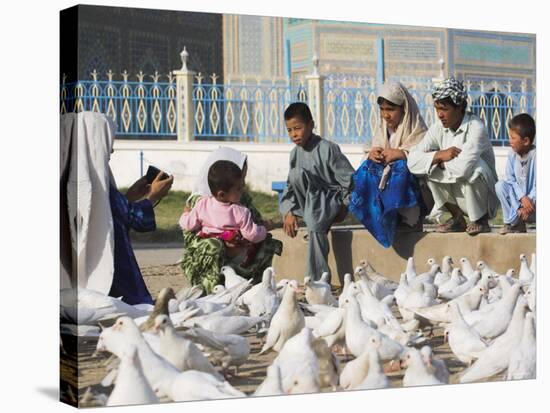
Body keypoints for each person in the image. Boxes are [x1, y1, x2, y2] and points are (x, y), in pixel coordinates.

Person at [60, 112, 173, 305]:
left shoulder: (68, 180)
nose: (111, 149)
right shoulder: (99, 186)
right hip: (116, 281)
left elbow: (107, 214)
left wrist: (130, 197)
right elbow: (136, 219)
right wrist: (154, 196)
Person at [179, 147, 282, 293]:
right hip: (212, 253)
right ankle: (209, 288)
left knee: (269, 244)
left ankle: (256, 288)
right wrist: (225, 244)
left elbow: (254, 224)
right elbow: (190, 236)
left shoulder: (238, 197)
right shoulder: (199, 201)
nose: (244, 185)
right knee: (214, 246)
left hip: (241, 249)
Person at [407, 78, 499, 235]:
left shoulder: (476, 127)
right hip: (459, 193)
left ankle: (480, 220)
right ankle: (457, 218)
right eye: (437, 109)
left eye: (444, 109)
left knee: (476, 168)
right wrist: (438, 155)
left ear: (460, 107)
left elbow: (463, 169)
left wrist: (440, 162)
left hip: (483, 197)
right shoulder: (437, 129)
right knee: (429, 169)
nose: (440, 115)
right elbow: (412, 162)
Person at [280, 102, 355, 282]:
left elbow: (350, 179)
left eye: (297, 128)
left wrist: (344, 206)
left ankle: (316, 281)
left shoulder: (328, 149)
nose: (294, 134)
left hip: (330, 203)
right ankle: (318, 281)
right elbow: (290, 187)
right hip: (309, 205)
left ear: (311, 125)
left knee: (314, 221)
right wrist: (288, 212)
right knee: (296, 174)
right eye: (289, 130)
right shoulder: (294, 154)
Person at [349, 82, 429, 248]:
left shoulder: (418, 131)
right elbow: (372, 150)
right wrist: (373, 154)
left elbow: (426, 157)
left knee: (401, 168)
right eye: (382, 110)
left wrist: (402, 154)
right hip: (386, 181)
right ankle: (379, 220)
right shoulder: (382, 129)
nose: (386, 115)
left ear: (404, 109)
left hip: (418, 189)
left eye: (391, 110)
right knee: (366, 169)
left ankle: (408, 219)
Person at [179, 160, 271, 269]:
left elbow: (189, 224)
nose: (242, 191)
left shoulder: (202, 204)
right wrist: (264, 229)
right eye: (238, 189)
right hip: (234, 255)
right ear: (222, 194)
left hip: (209, 252)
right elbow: (252, 234)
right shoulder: (241, 211)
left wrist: (185, 214)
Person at [495, 113, 536, 234]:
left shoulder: (536, 156)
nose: (510, 141)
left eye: (513, 138)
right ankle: (514, 223)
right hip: (519, 208)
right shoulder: (512, 154)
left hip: (533, 208)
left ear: (526, 141)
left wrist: (530, 200)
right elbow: (510, 180)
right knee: (500, 185)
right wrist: (522, 199)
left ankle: (517, 221)